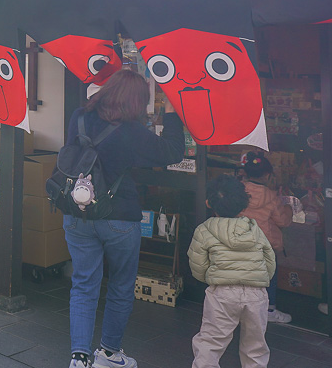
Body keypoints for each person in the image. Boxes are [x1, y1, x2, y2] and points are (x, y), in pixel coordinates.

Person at [63, 68, 185, 368]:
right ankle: (108, 353)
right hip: (119, 218)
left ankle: (79, 358)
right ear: (136, 102)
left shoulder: (79, 117)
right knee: (120, 285)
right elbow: (172, 152)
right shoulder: (131, 131)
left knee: (83, 284)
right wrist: (172, 113)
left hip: (78, 212)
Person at [189, 175, 275, 368]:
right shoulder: (254, 229)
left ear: (208, 203)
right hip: (256, 293)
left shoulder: (204, 230)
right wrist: (258, 279)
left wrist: (212, 277)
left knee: (210, 342)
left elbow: (198, 266)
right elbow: (269, 261)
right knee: (255, 346)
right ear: (244, 205)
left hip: (222, 292)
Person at [239, 151, 293, 323]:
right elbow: (283, 221)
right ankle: (269, 310)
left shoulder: (238, 191)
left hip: (239, 241)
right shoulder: (271, 197)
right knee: (269, 277)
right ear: (268, 175)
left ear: (246, 173)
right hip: (264, 244)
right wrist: (289, 209)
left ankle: (241, 307)